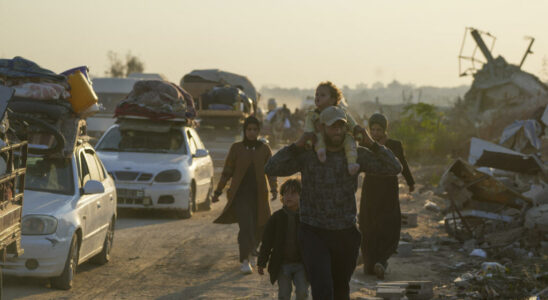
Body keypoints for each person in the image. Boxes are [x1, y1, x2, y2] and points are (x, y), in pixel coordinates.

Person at [265, 106, 402, 300]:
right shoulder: (309, 154)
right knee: (322, 288)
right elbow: (271, 167)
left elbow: (394, 167)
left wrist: (371, 143)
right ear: (321, 128)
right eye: (332, 127)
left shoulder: (355, 155)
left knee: (340, 290)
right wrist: (299, 143)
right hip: (314, 232)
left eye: (341, 126)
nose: (337, 131)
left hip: (345, 233)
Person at [212, 116, 278, 274]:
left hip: (259, 196)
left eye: (255, 130)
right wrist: (218, 191)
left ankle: (252, 251)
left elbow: (272, 172)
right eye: (249, 129)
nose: (252, 132)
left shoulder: (264, 149)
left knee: (259, 226)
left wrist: (275, 189)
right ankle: (245, 260)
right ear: (244, 130)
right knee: (246, 226)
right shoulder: (236, 148)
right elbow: (227, 171)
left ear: (258, 131)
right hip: (240, 196)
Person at [360, 113, 415, 279]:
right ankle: (370, 261)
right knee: (368, 225)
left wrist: (410, 182)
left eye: (379, 129)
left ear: (385, 130)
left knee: (389, 224)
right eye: (373, 130)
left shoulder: (394, 145)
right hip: (370, 190)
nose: (375, 133)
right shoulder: (365, 145)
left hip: (388, 191)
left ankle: (382, 260)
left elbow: (402, 164)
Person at [257, 179, 309, 300]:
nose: (288, 196)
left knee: (302, 293)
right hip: (282, 264)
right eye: (285, 193)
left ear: (301, 196)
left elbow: (315, 242)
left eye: (293, 193)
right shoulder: (276, 218)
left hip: (302, 264)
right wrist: (261, 262)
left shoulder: (307, 218)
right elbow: (267, 242)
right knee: (284, 295)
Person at [303, 81, 363, 175]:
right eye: (317, 95)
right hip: (319, 139)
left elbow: (351, 123)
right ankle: (321, 151)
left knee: (350, 140)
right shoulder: (312, 115)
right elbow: (308, 128)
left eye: (322, 95)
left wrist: (356, 130)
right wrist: (309, 135)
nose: (318, 97)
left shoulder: (341, 112)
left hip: (340, 141)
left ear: (332, 100)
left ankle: (351, 163)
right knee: (318, 137)